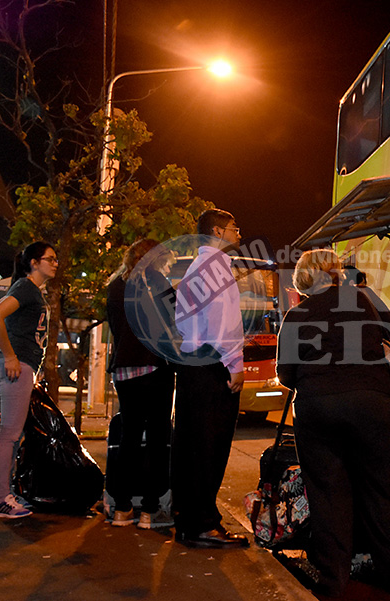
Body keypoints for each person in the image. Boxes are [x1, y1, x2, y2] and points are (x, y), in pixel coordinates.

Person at [277, 249, 390, 598]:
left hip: (320, 409)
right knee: (379, 491)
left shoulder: (296, 314)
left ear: (304, 280)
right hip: (373, 405)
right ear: (335, 273)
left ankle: (334, 579)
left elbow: (286, 374)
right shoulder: (360, 302)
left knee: (328, 494)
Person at [171, 209, 248, 548]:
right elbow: (223, 323)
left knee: (191, 446)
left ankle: (191, 521)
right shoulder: (217, 266)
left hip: (192, 365)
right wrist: (235, 364)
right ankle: (203, 524)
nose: (239, 233)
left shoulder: (194, 267)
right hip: (211, 366)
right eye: (234, 227)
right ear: (217, 230)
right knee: (209, 447)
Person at [105, 239, 175, 529]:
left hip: (124, 371)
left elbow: (115, 327)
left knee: (129, 439)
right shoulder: (160, 284)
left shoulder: (115, 286)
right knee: (158, 440)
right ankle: (149, 511)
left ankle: (121, 509)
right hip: (155, 369)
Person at [0, 241, 57, 519]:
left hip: (24, 366)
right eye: (50, 259)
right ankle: (1, 499)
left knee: (13, 436)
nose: (55, 263)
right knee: (10, 435)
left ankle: (5, 495)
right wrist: (10, 356)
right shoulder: (26, 287)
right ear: (34, 262)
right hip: (17, 366)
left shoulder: (30, 290)